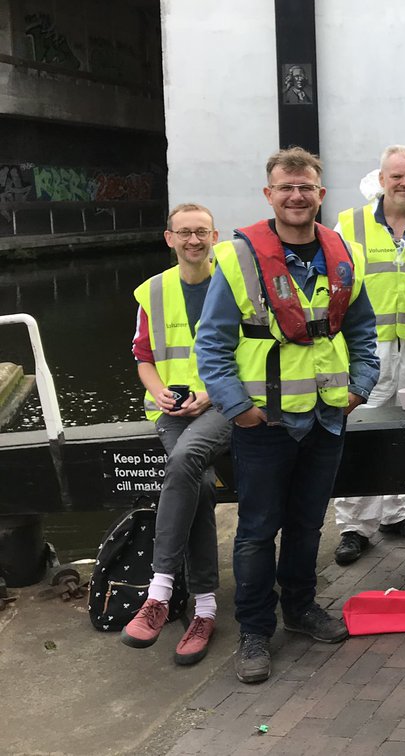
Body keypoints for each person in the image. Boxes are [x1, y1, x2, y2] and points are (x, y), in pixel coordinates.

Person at [195, 148, 379, 684]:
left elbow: (364, 331)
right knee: (256, 531)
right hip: (266, 425)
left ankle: (299, 608)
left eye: (306, 188)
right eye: (286, 187)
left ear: (321, 195)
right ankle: (255, 629)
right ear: (268, 195)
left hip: (326, 418)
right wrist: (240, 410)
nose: (296, 196)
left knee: (306, 524)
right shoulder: (236, 258)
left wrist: (359, 388)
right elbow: (212, 345)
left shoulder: (343, 254)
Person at [331, 146, 405, 566]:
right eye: (397, 176)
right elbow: (336, 284)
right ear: (381, 179)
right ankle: (353, 525)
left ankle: (397, 512)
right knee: (360, 426)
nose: (404, 183)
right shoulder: (349, 224)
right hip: (367, 344)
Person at [121, 203, 230, 666]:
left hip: (223, 404)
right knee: (200, 485)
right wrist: (161, 392)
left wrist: (209, 392)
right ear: (169, 239)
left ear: (214, 235)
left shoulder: (233, 283)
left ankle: (159, 589)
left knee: (186, 462)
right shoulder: (153, 292)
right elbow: (144, 358)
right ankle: (204, 608)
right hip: (172, 413)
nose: (193, 241)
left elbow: (250, 350)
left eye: (201, 232)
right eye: (184, 233)